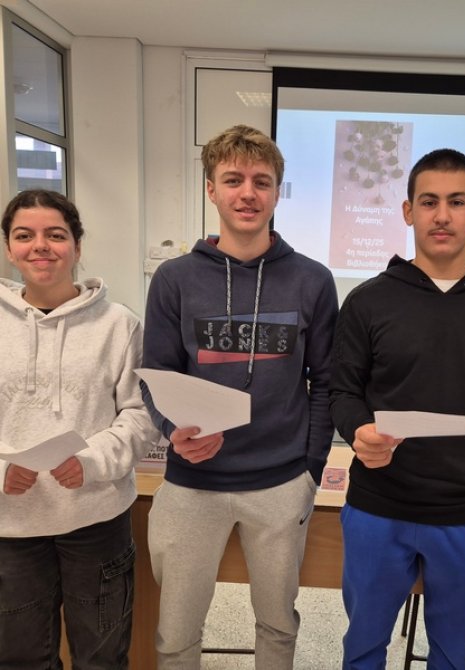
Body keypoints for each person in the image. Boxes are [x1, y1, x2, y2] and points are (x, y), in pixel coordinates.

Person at [329, 148, 465, 669]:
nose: (442, 215)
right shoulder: (368, 302)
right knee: (362, 650)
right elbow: (342, 392)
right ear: (408, 212)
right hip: (378, 509)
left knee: (452, 655)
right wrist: (358, 431)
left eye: (456, 201)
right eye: (429, 202)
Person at [142, 124, 339, 670]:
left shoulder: (313, 280)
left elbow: (326, 381)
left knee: (278, 624)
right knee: (176, 632)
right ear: (211, 189)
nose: (247, 193)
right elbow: (155, 375)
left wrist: (311, 469)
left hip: (281, 483)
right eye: (233, 180)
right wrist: (172, 431)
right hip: (192, 483)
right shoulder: (175, 279)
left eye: (261, 181)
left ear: (277, 192)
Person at [0, 189, 157, 668]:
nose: (40, 246)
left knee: (102, 657)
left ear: (77, 245)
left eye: (55, 235)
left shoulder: (119, 325)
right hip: (12, 525)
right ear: (9, 248)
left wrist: (92, 461)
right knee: (21, 658)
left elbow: (141, 414)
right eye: (24, 236)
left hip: (96, 518)